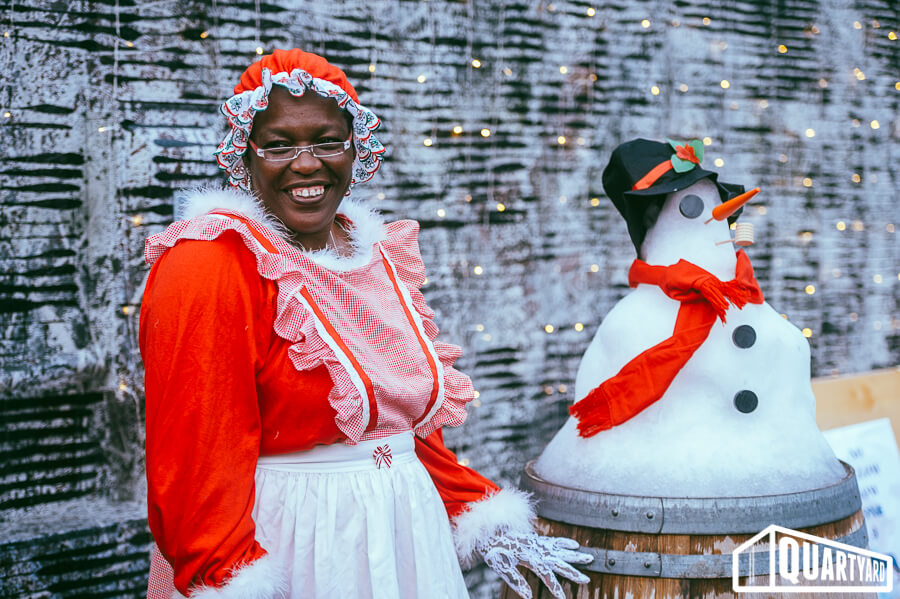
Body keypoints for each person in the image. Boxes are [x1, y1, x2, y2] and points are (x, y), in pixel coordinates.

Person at [140, 49, 590, 599]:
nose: (307, 164)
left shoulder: (370, 252)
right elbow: (194, 454)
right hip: (297, 539)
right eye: (279, 145)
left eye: (328, 141)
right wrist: (226, 573)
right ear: (245, 153)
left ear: (356, 147)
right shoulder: (210, 261)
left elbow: (401, 425)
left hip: (406, 532)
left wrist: (478, 511)